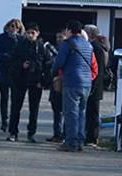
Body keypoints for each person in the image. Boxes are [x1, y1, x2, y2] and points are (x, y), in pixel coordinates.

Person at [51, 20, 97, 152]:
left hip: (72, 81)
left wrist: (53, 72)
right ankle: (80, 141)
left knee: (71, 113)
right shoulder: (88, 45)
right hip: (86, 82)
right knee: (82, 112)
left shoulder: (68, 44)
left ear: (69, 30)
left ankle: (71, 142)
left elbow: (59, 62)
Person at [6, 22, 50, 142]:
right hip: (20, 80)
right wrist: (21, 65)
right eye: (28, 33)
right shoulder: (19, 45)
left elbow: (47, 65)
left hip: (36, 81)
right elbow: (11, 62)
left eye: (33, 33)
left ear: (37, 34)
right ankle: (13, 132)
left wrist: (44, 81)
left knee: (34, 109)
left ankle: (31, 133)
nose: (30, 35)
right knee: (15, 107)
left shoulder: (41, 47)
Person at [0, 18, 23, 132]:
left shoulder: (21, 39)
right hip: (4, 70)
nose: (14, 29)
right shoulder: (2, 37)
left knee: (15, 98)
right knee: (4, 98)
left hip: (16, 72)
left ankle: (13, 122)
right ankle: (4, 121)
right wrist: (6, 56)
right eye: (12, 26)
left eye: (16, 27)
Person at [83, 24, 109, 147]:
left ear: (91, 34)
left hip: (95, 84)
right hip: (94, 84)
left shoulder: (96, 47)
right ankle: (89, 136)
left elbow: (98, 68)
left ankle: (92, 138)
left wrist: (93, 84)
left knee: (93, 112)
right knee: (90, 112)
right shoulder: (96, 46)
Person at [45, 32, 65, 143]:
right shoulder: (51, 50)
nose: (58, 39)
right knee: (56, 110)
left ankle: (65, 134)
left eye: (61, 36)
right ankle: (57, 133)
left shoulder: (68, 50)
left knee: (66, 111)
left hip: (64, 83)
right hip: (55, 83)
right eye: (57, 37)